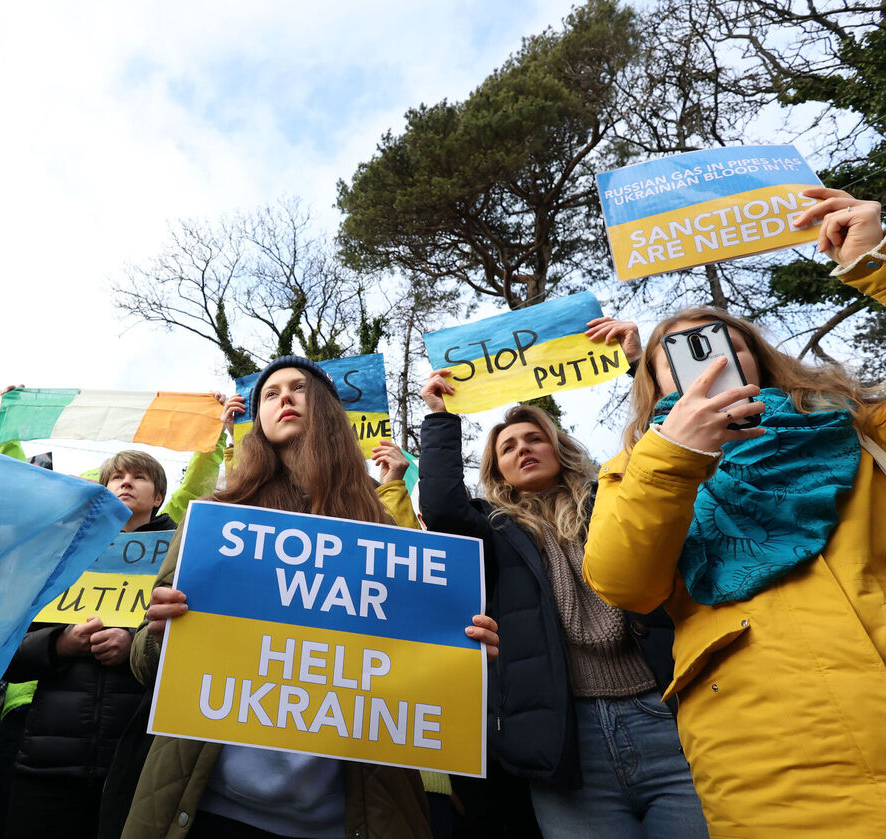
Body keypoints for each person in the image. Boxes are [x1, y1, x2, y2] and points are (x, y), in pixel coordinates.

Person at [582, 187, 886, 838]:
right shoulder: (636, 467)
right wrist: (674, 455)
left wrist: (876, 265)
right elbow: (623, 581)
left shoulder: (853, 420)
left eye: (723, 343)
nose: (710, 359)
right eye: (679, 353)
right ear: (655, 382)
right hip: (769, 760)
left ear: (758, 355)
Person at [121, 355, 500, 839]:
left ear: (325, 410)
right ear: (256, 420)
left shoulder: (382, 527)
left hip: (348, 818)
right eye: (271, 393)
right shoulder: (214, 517)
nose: (284, 399)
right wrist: (159, 633)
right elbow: (143, 662)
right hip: (206, 809)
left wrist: (465, 654)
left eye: (298, 388)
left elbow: (415, 665)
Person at [417, 319, 707, 839]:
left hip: (668, 718)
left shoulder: (614, 495)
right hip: (565, 738)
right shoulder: (494, 529)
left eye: (535, 439)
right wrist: (439, 417)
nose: (523, 449)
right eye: (508, 448)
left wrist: (637, 364)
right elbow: (440, 508)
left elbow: (664, 447)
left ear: (559, 448)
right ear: (498, 470)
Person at [3, 438, 225, 839]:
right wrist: (61, 642)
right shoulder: (66, 554)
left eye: (139, 477)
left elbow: (198, 643)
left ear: (160, 496)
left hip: (134, 760)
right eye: (117, 477)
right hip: (47, 758)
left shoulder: (183, 550)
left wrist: (132, 645)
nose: (126, 483)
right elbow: (11, 657)